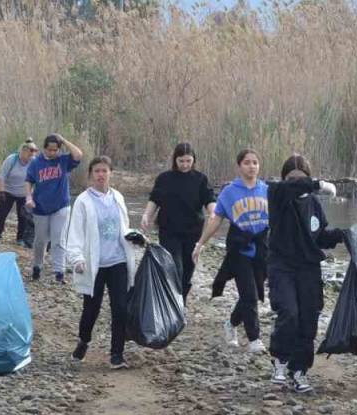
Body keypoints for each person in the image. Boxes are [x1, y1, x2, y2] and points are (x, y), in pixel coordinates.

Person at [263, 154, 342, 393]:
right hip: (281, 265)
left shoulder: (314, 204)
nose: (297, 183)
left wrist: (346, 235)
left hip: (308, 267)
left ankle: (299, 371)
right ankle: (280, 360)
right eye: (291, 178)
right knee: (289, 312)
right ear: (284, 179)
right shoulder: (276, 195)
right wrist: (318, 184)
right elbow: (289, 188)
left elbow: (321, 237)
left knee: (308, 317)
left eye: (301, 179)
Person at [63, 156, 140, 369]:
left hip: (118, 260)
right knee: (91, 308)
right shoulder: (83, 201)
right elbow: (76, 233)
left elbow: (123, 228)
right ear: (90, 174)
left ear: (111, 173)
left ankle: (117, 354)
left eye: (105, 171)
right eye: (97, 171)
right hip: (94, 264)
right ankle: (83, 341)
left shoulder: (118, 198)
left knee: (120, 308)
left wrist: (136, 236)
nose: (101, 175)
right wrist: (77, 258)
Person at [193, 149, 269, 352]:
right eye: (247, 163)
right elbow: (216, 220)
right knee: (250, 295)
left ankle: (232, 324)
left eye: (255, 162)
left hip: (261, 250)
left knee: (250, 295)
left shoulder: (266, 189)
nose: (251, 166)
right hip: (239, 250)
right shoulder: (229, 191)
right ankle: (254, 339)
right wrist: (200, 243)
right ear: (239, 166)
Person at [141, 142, 215, 302]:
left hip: (193, 230)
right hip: (169, 230)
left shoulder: (201, 179)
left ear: (193, 160)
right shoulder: (164, 178)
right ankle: (172, 300)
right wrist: (147, 215)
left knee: (188, 270)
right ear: (175, 160)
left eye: (188, 161)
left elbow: (209, 198)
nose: (185, 165)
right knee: (175, 266)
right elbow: (155, 199)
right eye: (181, 161)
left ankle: (181, 302)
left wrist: (212, 212)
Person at [24, 134, 84, 283]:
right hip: (41, 207)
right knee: (40, 240)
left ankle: (59, 272)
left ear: (59, 149)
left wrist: (63, 140)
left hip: (61, 206)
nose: (52, 153)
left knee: (59, 239)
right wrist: (28, 198)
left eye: (55, 150)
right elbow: (29, 181)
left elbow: (78, 154)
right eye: (49, 150)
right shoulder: (35, 163)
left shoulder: (63, 160)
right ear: (44, 148)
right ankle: (37, 267)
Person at [0, 139, 37, 247]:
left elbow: (36, 179)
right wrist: (2, 191)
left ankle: (20, 238)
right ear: (23, 151)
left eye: (33, 152)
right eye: (29, 152)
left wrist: (32, 195)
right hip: (8, 191)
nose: (31, 155)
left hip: (23, 193)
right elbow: (1, 176)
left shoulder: (33, 162)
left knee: (23, 217)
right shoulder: (11, 160)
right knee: (2, 214)